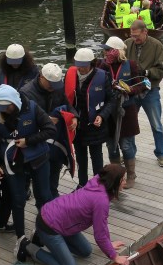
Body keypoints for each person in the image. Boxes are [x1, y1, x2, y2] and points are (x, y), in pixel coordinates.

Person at [22, 163, 130, 265]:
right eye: (122, 179)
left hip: (61, 221)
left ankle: (40, 238)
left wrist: (109, 245)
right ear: (114, 182)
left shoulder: (99, 182)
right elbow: (100, 235)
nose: (125, 182)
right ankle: (27, 247)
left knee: (86, 251)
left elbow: (102, 224)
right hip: (48, 224)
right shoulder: (101, 200)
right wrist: (115, 256)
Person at [0, 84, 55, 256]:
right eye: (1, 106)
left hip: (38, 158)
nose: (4, 110)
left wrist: (28, 141)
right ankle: (21, 238)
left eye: (7, 106)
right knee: (18, 200)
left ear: (15, 103)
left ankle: (42, 230)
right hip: (12, 162)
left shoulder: (32, 108)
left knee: (44, 196)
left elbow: (50, 129)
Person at [21, 63, 75, 200]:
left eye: (55, 84)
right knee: (39, 181)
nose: (53, 87)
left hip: (55, 141)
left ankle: (54, 197)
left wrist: (74, 116)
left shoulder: (58, 88)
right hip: (37, 142)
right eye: (50, 83)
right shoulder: (25, 92)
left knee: (54, 173)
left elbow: (67, 104)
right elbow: (22, 119)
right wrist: (45, 120)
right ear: (41, 77)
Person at [64, 48, 117, 186]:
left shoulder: (103, 76)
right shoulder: (70, 75)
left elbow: (111, 100)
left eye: (84, 66)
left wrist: (102, 116)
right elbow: (65, 100)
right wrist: (73, 116)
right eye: (79, 65)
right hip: (77, 126)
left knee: (97, 158)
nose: (81, 69)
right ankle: (82, 185)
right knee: (81, 159)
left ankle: (98, 186)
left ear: (92, 63)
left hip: (95, 126)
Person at [101, 36, 147, 188]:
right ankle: (116, 177)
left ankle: (131, 174)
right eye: (105, 50)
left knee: (126, 145)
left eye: (108, 50)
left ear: (117, 51)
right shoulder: (102, 66)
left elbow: (141, 85)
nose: (105, 52)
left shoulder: (131, 65)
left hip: (126, 110)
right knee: (111, 145)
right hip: (109, 111)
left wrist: (129, 90)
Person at [126, 20, 163, 167]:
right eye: (132, 36)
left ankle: (161, 153)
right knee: (130, 124)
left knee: (156, 124)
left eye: (137, 36)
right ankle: (130, 153)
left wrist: (147, 72)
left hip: (150, 91)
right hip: (132, 91)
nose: (134, 39)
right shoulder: (127, 44)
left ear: (145, 32)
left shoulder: (157, 46)